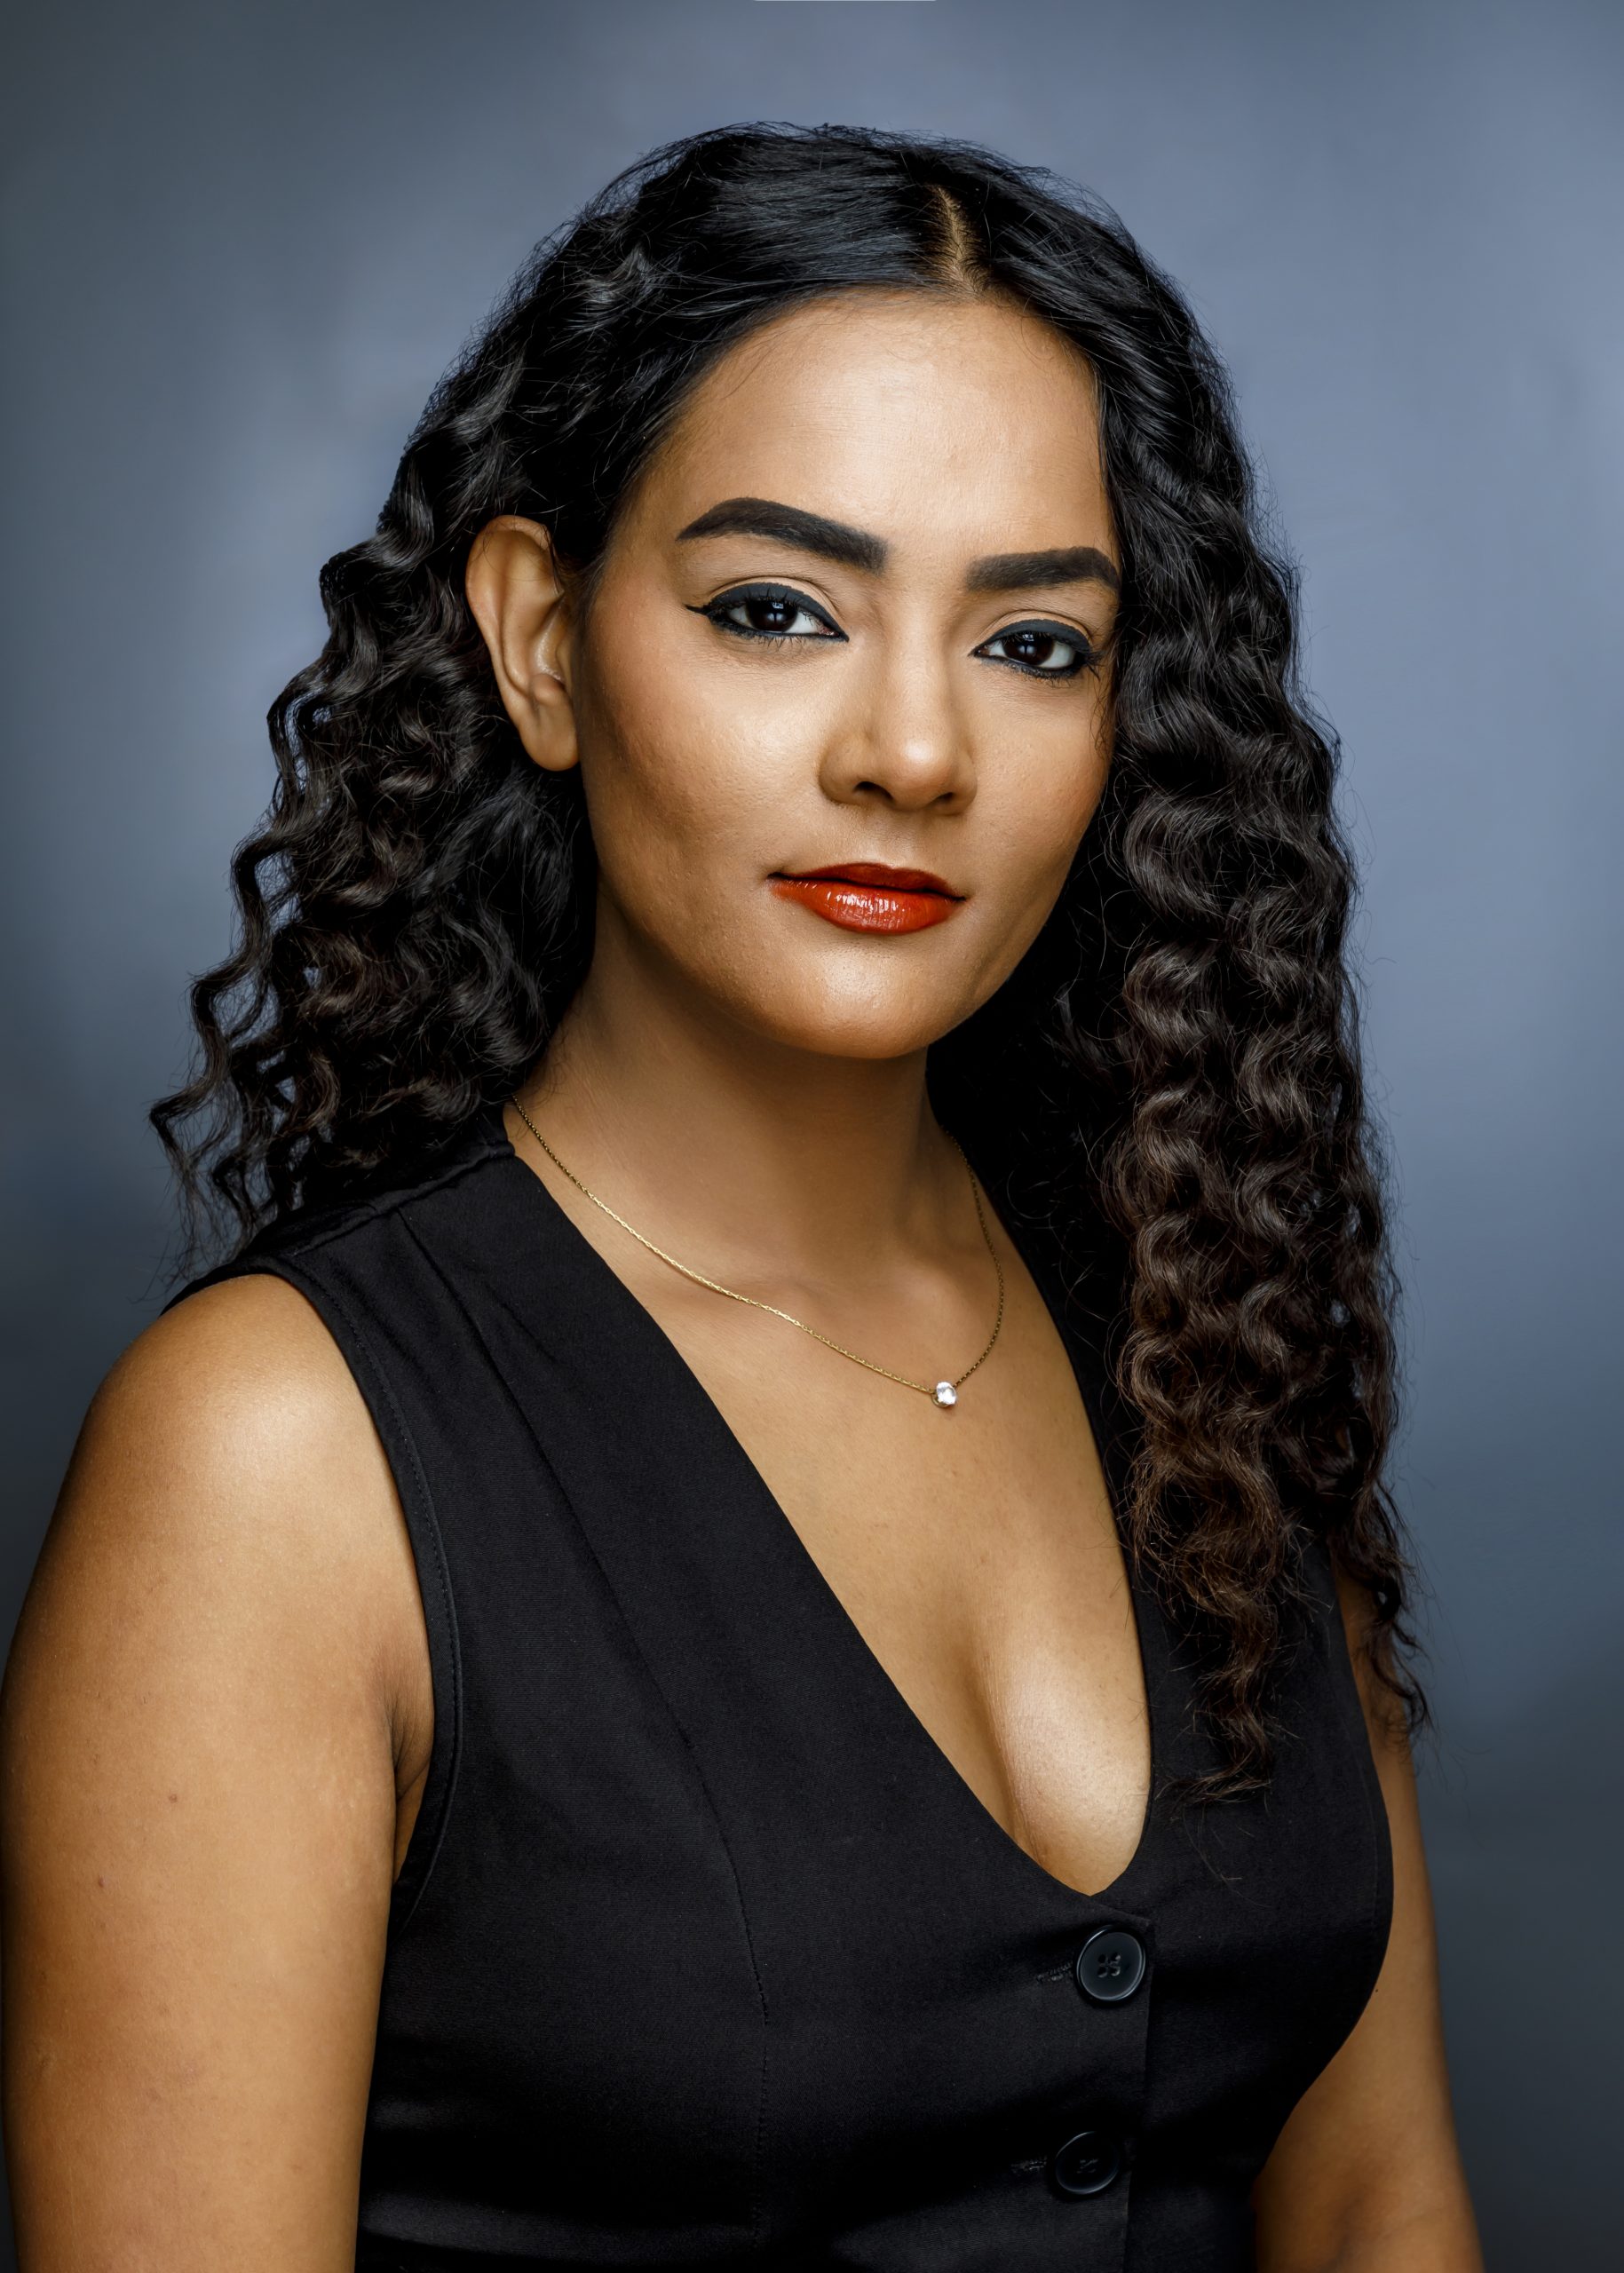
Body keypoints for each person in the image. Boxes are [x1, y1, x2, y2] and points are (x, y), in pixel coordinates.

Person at [0, 121, 1483, 2270]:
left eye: (1035, 644)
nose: (912, 750)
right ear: (539, 640)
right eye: (777, 607)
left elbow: (1380, 2208)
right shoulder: (280, 1457)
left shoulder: (1205, 1331)